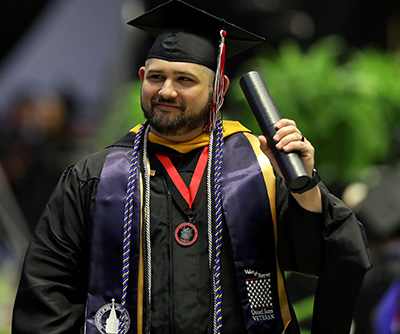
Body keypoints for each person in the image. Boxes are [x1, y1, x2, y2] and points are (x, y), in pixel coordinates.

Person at [12, 1, 371, 333]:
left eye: (184, 79)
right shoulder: (95, 178)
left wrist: (304, 185)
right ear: (141, 77)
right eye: (156, 77)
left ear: (219, 87)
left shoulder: (257, 171)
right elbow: (47, 292)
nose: (166, 90)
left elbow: (325, 255)